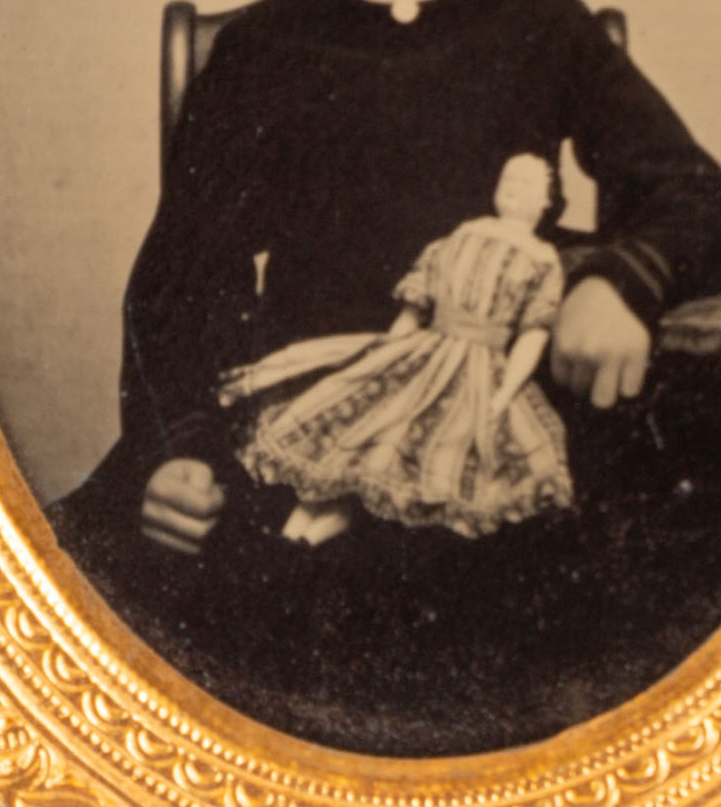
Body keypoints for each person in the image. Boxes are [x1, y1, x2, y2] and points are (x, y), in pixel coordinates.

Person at [49, 0, 721, 757]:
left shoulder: (548, 33)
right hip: (306, 423)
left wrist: (617, 283)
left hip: (496, 408)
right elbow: (180, 284)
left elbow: (703, 200)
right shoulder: (260, 52)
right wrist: (177, 447)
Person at [224, 151, 576, 545]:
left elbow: (533, 334)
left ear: (547, 201)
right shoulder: (463, 235)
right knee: (368, 421)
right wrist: (388, 349)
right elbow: (418, 301)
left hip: (478, 368)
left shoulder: (542, 260)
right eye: (507, 180)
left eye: (526, 185)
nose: (513, 190)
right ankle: (303, 520)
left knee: (420, 447)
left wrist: (505, 392)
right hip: (424, 349)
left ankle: (330, 522)